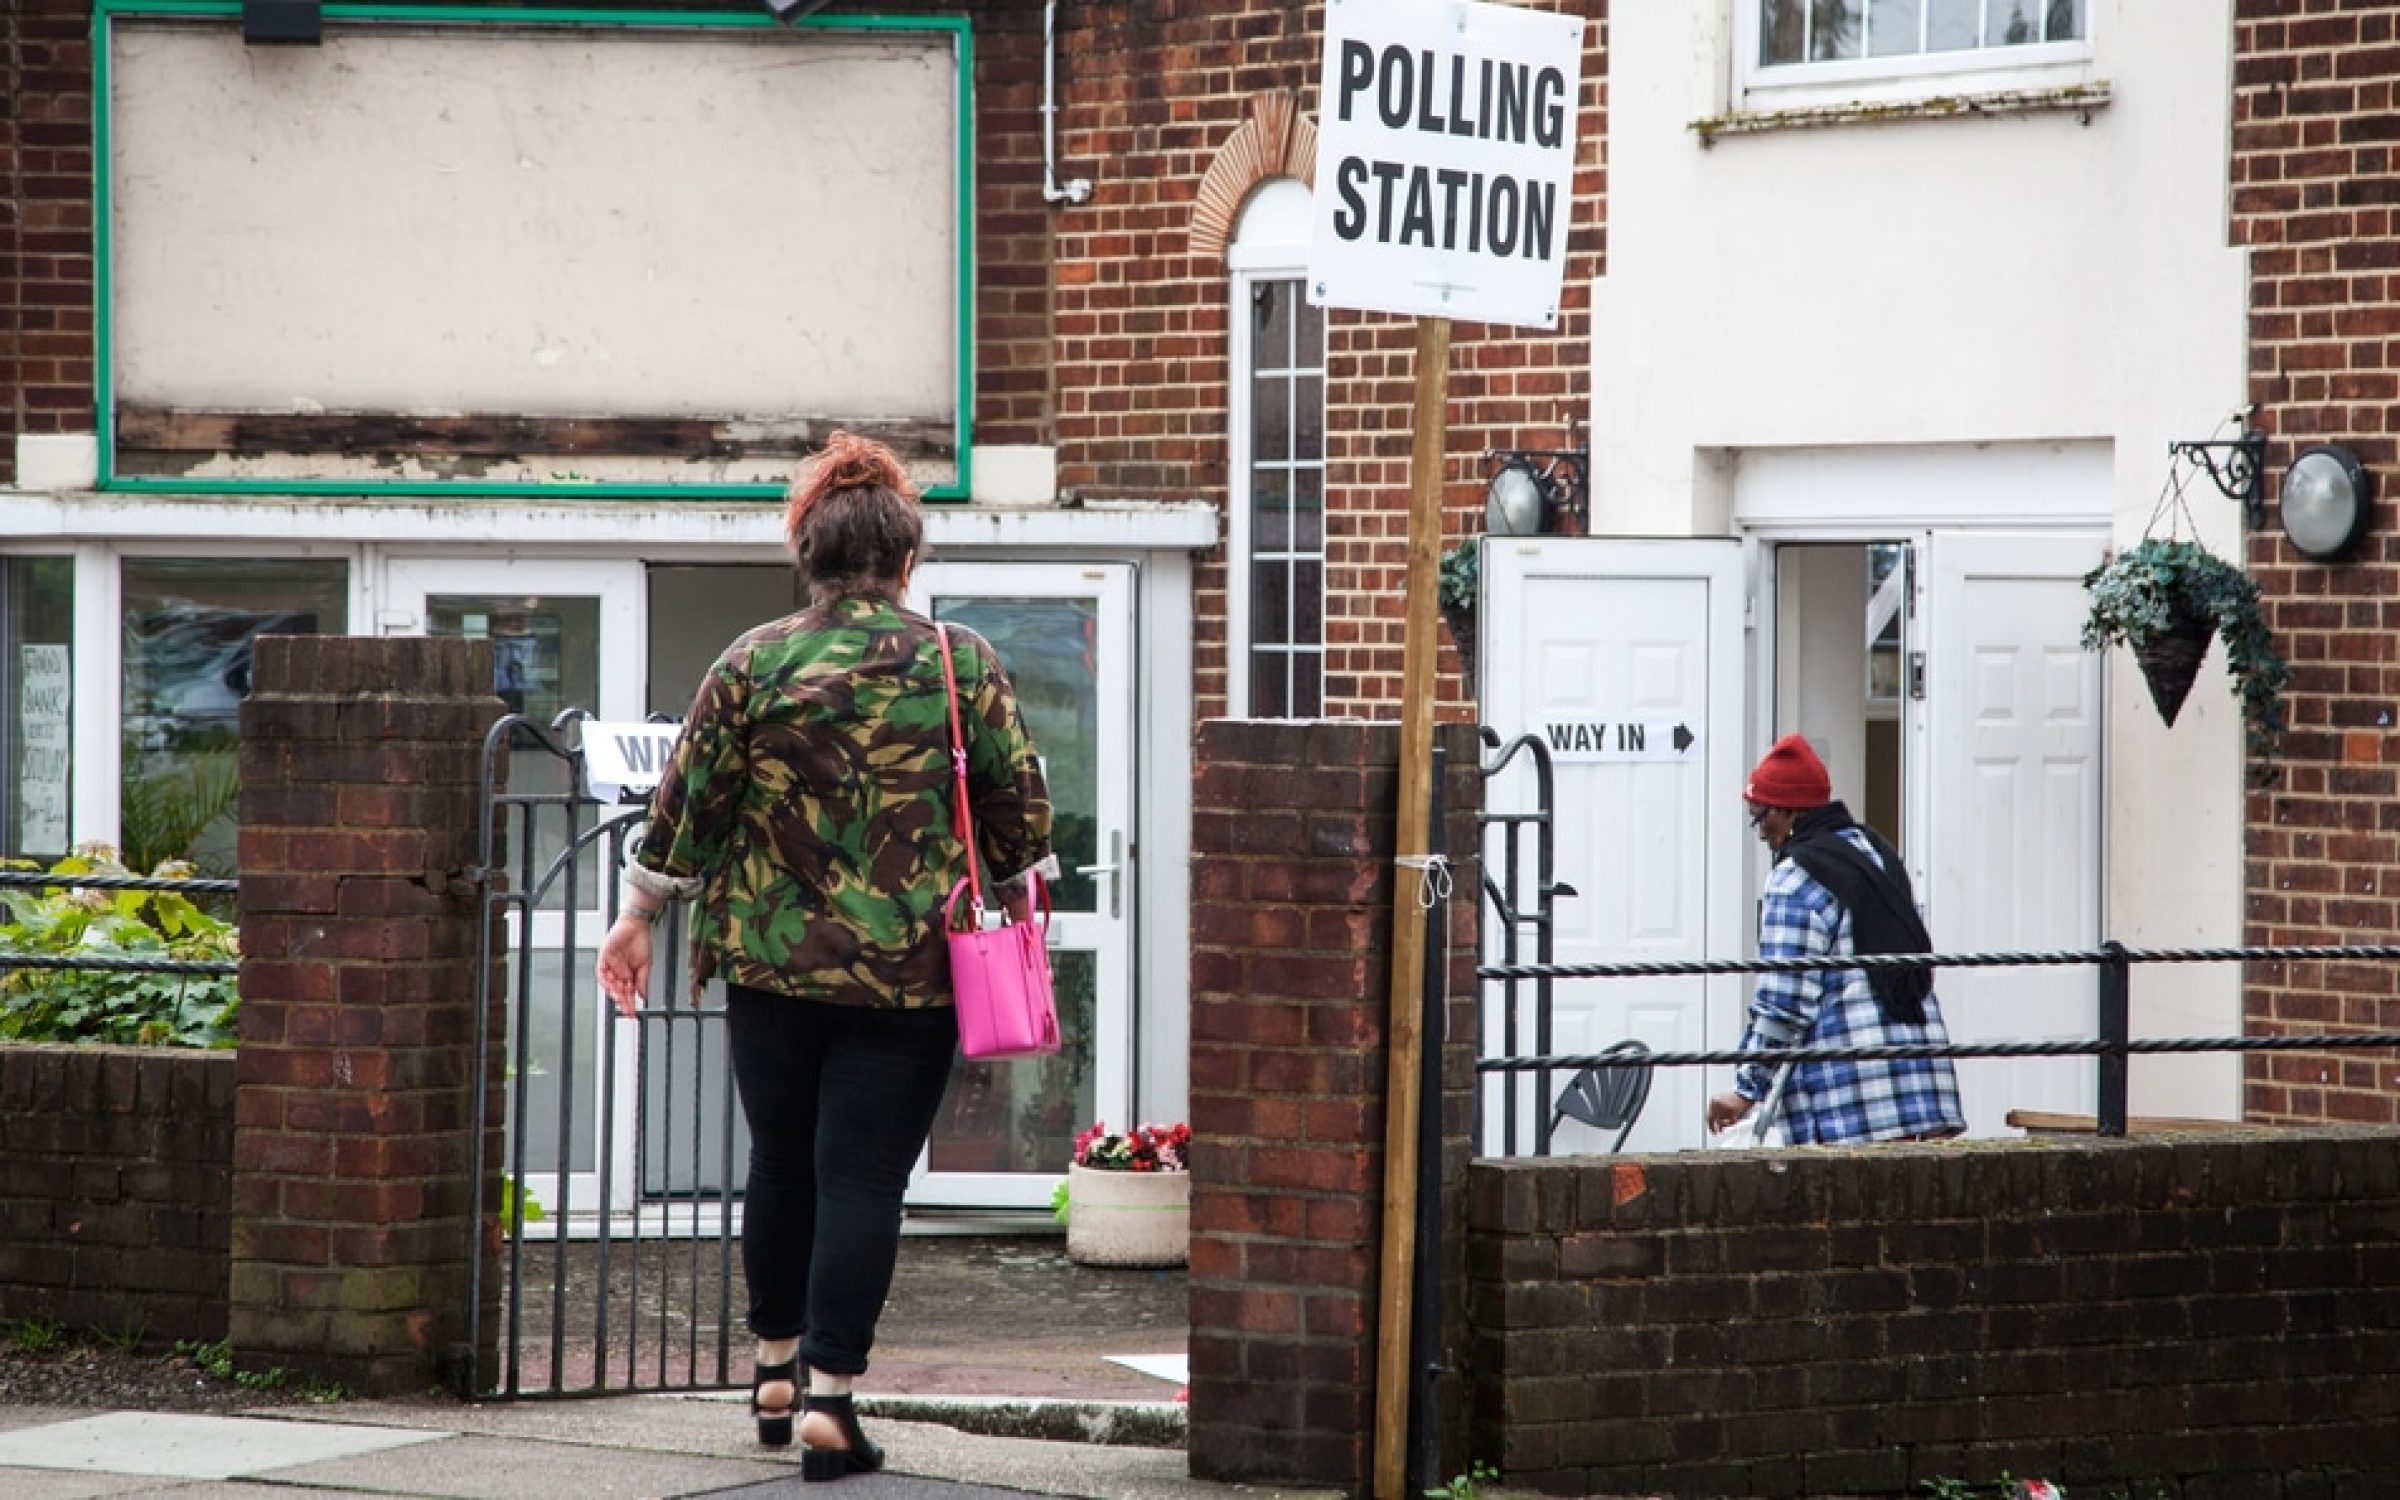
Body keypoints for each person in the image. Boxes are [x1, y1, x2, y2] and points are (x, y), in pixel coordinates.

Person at [595, 431, 1054, 1479]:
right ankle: (832, 1402)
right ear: (905, 561)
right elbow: (1024, 822)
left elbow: (686, 810)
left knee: (779, 1165)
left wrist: (638, 917)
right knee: (860, 1181)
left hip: (768, 968)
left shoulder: (752, 660)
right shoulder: (959, 662)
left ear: (807, 553)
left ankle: (770, 1372)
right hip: (908, 978)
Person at [1706, 734, 1965, 1146]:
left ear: (1789, 810)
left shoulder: (1795, 877)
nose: (1760, 832)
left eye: (1761, 815)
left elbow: (1785, 1000)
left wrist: (1744, 1090)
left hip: (1853, 1103)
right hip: (1924, 1089)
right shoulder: (1874, 851)